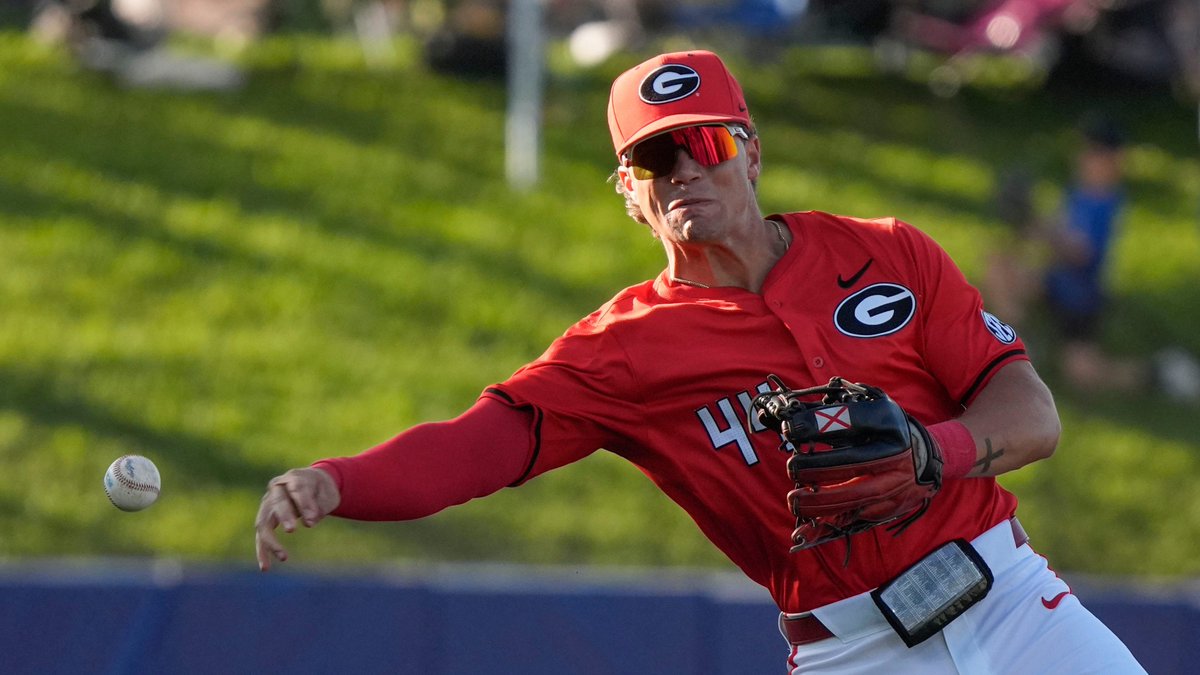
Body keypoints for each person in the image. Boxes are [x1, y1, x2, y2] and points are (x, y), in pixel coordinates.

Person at [254, 50, 1145, 673]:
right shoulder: (621, 350)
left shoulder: (887, 251)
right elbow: (476, 447)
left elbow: (1033, 416)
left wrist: (928, 452)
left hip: (1013, 602)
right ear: (629, 197)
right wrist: (337, 481)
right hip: (855, 651)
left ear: (752, 153)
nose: (686, 168)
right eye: (654, 155)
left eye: (707, 142)